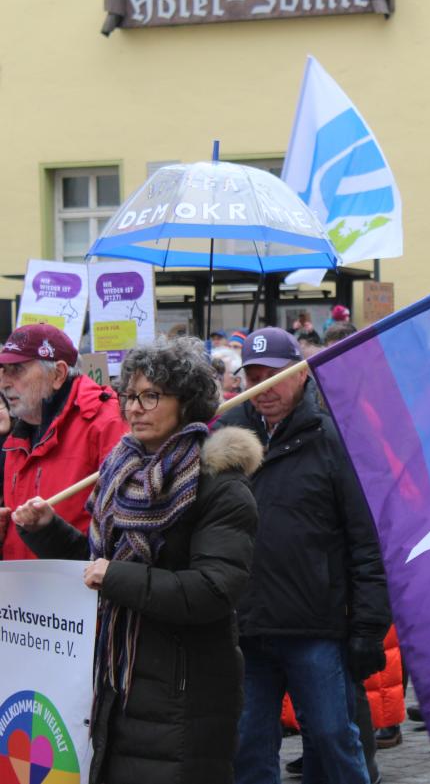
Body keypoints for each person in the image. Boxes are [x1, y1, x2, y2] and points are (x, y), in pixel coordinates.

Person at [3, 337, 261, 784]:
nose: (135, 408)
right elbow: (96, 563)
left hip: (183, 692)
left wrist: (117, 577)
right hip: (115, 681)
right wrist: (46, 530)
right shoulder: (121, 469)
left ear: (187, 402)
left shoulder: (219, 485)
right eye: (130, 396)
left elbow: (213, 590)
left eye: (151, 396)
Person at [219, 328, 391, 784]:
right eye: (253, 376)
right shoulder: (224, 440)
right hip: (248, 627)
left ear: (300, 374)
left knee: (334, 739)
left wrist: (369, 629)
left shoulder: (333, 438)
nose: (264, 387)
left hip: (314, 626)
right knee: (248, 745)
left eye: (274, 375)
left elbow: (365, 541)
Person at [0, 324, 128, 560]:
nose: (4, 382)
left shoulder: (106, 423)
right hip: (23, 589)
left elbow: (123, 534)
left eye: (16, 369)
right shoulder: (19, 434)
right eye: (3, 370)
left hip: (79, 588)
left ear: (58, 374)